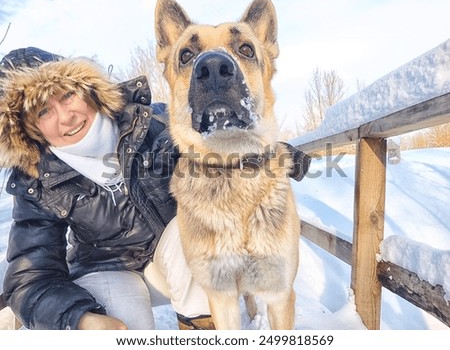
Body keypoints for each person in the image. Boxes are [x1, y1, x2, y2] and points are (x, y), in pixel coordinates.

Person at [0, 47, 310, 330]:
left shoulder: (151, 123)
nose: (65, 116)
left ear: (88, 90)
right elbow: (29, 278)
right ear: (28, 128)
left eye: (67, 96)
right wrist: (80, 318)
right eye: (43, 112)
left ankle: (203, 329)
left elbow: (215, 146)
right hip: (106, 269)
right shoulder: (36, 181)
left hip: (174, 259)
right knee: (122, 329)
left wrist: (270, 155)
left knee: (196, 229)